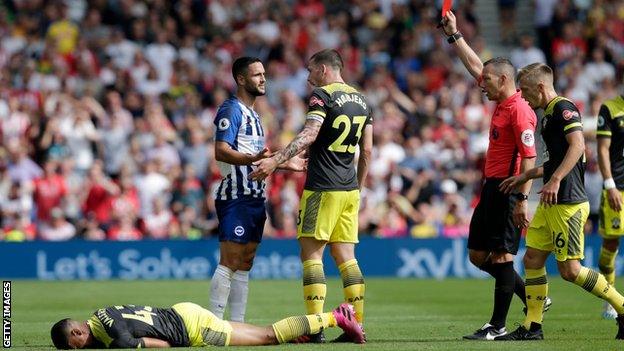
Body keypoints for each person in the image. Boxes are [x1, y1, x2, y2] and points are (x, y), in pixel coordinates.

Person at [250, 49, 373, 343]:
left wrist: (276, 159)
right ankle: (357, 324)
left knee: (312, 255)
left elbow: (310, 133)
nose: (307, 78)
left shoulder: (323, 96)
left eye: (310, 71)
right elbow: (366, 151)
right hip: (349, 189)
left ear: (324, 70)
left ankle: (315, 328)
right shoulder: (363, 100)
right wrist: (359, 186)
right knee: (347, 258)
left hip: (322, 187)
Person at [498, 63, 624, 340]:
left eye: (527, 90)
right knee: (532, 258)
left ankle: (622, 307)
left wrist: (555, 180)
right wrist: (528, 175)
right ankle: (533, 326)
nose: (524, 96)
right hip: (550, 202)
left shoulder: (564, 108)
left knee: (570, 270)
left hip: (568, 201)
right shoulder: (547, 114)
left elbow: (579, 146)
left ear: (541, 87)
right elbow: (557, 158)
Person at [440, 11, 542, 340]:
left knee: (501, 256)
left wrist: (522, 199)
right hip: (491, 186)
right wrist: (455, 36)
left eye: (486, 81)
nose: (480, 85)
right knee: (476, 255)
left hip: (510, 189)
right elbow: (475, 66)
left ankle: (496, 327)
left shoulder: (520, 111)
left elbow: (530, 157)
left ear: (503, 80)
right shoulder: (500, 98)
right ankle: (531, 297)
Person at [210, 57, 306, 323]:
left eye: (264, 73)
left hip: (255, 197)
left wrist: (286, 163)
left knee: (245, 263)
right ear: (241, 79)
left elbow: (258, 157)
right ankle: (214, 324)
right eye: (257, 75)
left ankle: (237, 324)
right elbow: (222, 150)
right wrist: (252, 160)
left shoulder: (256, 115)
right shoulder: (231, 109)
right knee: (230, 260)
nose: (263, 78)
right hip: (236, 196)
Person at [49, 302, 364, 349]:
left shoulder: (112, 338)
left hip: (192, 329)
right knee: (262, 331)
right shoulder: (102, 313)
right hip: (183, 311)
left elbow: (164, 345)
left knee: (268, 336)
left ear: (77, 332)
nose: (81, 349)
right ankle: (307, 330)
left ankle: (336, 317)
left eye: (75, 347)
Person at [596, 93, 624, 319]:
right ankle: (611, 299)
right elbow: (603, 148)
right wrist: (609, 184)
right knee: (611, 243)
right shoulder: (611, 108)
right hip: (618, 188)